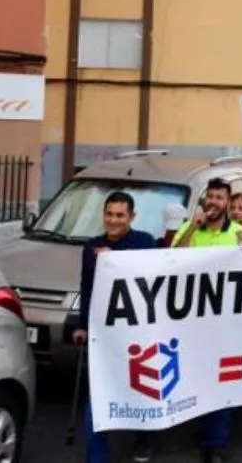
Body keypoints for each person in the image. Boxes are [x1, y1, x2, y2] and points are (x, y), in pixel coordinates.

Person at [73, 192, 158, 463]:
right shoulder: (91, 247)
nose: (113, 220)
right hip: (103, 333)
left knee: (142, 388)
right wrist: (82, 324)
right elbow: (86, 288)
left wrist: (115, 259)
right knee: (98, 391)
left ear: (131, 217)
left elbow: (156, 276)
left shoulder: (144, 243)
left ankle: (144, 439)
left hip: (137, 332)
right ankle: (97, 456)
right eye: (109, 214)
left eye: (120, 215)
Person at [170, 178, 242, 463]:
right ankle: (204, 426)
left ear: (228, 203)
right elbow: (171, 261)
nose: (214, 201)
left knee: (222, 379)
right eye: (211, 196)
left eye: (220, 197)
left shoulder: (238, 232)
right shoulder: (190, 229)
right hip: (193, 320)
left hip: (226, 323)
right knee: (198, 375)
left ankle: (216, 442)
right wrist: (193, 226)